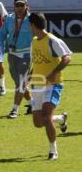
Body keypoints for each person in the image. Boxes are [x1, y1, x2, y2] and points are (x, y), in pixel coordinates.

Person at [28, 12, 71, 160]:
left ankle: (53, 151)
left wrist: (55, 72)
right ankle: (60, 119)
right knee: (38, 122)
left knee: (46, 117)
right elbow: (36, 62)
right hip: (37, 85)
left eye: (30, 25)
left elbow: (67, 57)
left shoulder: (52, 40)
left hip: (53, 84)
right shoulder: (34, 41)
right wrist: (29, 77)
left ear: (33, 25)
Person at [0, 0, 33, 118]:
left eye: (22, 5)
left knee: (21, 83)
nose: (20, 7)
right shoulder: (9, 19)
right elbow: (2, 33)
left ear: (27, 6)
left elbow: (39, 36)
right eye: (17, 5)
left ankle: (14, 110)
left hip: (26, 55)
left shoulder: (32, 20)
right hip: (12, 55)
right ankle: (33, 104)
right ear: (14, 6)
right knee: (20, 84)